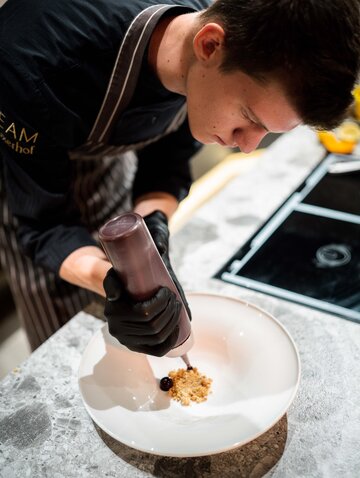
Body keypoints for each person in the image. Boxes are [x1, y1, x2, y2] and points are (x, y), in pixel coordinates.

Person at [0, 0, 359, 355]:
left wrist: (153, 224)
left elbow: (166, 162)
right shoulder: (34, 66)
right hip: (22, 179)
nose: (248, 147)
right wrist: (109, 282)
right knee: (67, 349)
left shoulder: (209, 50)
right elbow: (42, 226)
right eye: (249, 116)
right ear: (209, 45)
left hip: (104, 153)